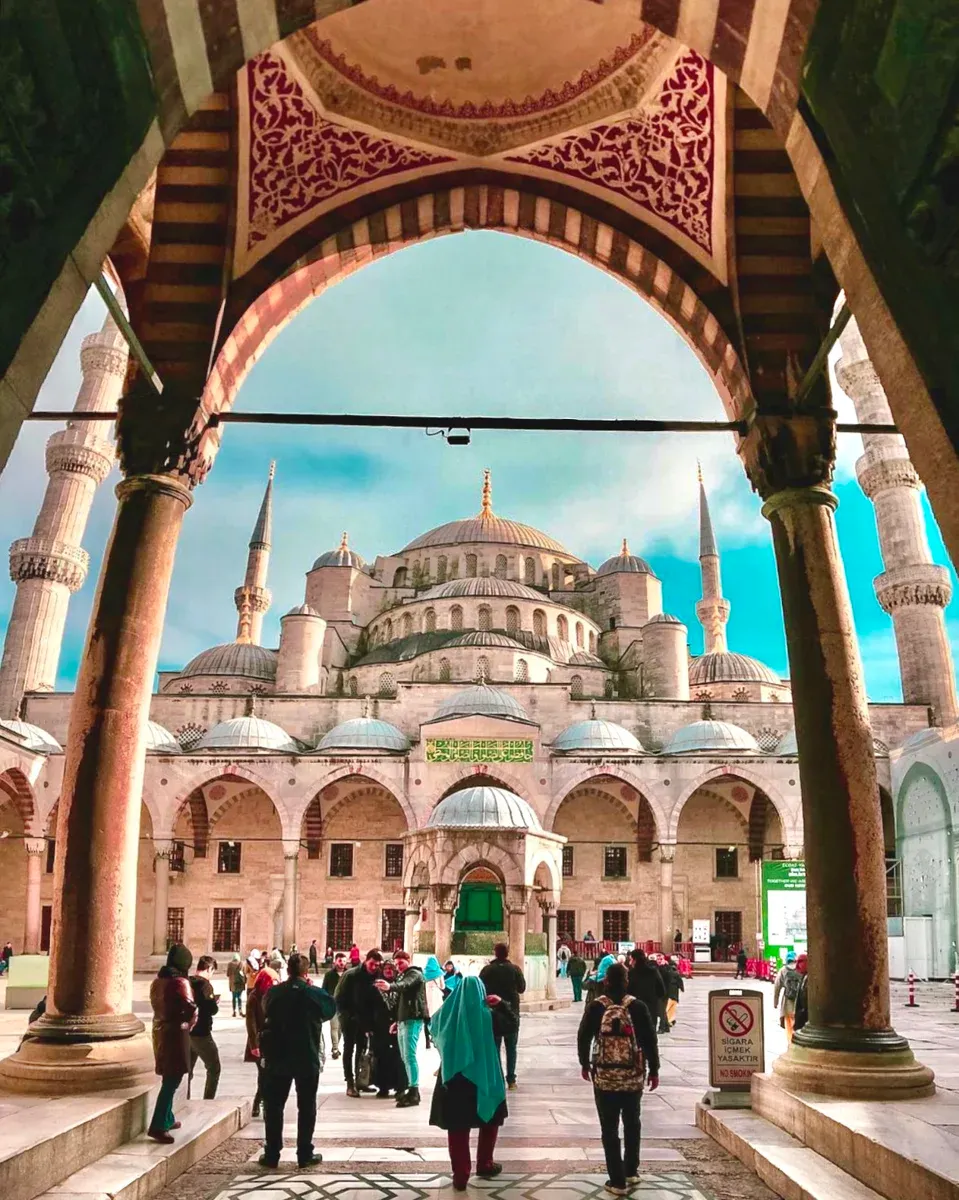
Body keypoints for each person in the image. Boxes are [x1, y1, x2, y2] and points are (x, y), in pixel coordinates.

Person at [578, 962, 660, 1196]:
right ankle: (631, 1171)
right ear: (627, 982)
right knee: (633, 1122)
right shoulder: (638, 1007)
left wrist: (584, 1063)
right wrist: (654, 1070)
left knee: (609, 1128)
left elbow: (583, 1036)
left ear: (605, 981)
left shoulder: (596, 1007)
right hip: (632, 1077)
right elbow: (650, 1041)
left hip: (605, 1077)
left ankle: (616, 1181)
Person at [430, 975, 513, 1191]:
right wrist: (502, 1004)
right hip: (485, 1077)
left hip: (454, 1080)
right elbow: (513, 1024)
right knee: (490, 1119)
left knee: (457, 1128)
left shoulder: (446, 1015)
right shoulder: (489, 1016)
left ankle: (461, 1175)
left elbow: (433, 1029)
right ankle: (485, 1163)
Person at [258, 952, 336, 1169]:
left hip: (278, 1057)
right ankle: (304, 1153)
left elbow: (265, 1008)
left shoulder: (275, 992)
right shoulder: (313, 993)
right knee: (307, 1106)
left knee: (274, 1107)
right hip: (306, 1056)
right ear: (305, 971)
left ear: (288, 971)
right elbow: (330, 1010)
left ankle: (272, 1153)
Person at [148, 944, 197, 1143]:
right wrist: (191, 1019)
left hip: (159, 1030)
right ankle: (158, 1125)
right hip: (176, 1033)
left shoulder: (157, 981)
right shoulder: (180, 982)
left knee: (169, 1075)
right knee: (172, 1080)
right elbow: (190, 1006)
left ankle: (168, 1118)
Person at [376, 948, 428, 1106]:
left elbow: (404, 985)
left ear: (409, 960)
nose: (398, 966)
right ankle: (411, 1090)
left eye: (401, 963)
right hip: (404, 1020)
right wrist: (397, 1021)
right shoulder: (404, 975)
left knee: (409, 1056)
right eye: (396, 964)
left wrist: (389, 987)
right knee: (405, 1057)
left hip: (412, 1019)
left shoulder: (414, 974)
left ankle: (414, 1091)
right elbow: (401, 1000)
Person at [335, 948, 383, 1096]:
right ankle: (350, 1082)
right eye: (372, 964)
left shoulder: (376, 976)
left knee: (361, 1048)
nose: (374, 967)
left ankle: (360, 1081)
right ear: (366, 960)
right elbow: (338, 997)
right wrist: (347, 1015)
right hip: (349, 1017)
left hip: (365, 1019)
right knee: (349, 1048)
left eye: (377, 965)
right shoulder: (351, 975)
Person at [479, 943, 526, 1090]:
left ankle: (498, 1078)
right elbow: (522, 988)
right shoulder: (515, 969)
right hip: (511, 1014)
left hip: (493, 1014)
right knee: (511, 1047)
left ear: (495, 953)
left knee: (495, 1047)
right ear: (507, 953)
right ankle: (511, 1080)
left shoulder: (487, 970)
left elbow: (480, 989)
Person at [370, 960, 407, 1099]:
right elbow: (369, 1007)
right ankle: (383, 1087)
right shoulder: (375, 987)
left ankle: (401, 1087)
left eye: (391, 968)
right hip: (380, 1027)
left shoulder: (399, 986)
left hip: (398, 1026)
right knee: (381, 1058)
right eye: (385, 968)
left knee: (399, 1058)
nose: (388, 971)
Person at [246, 962, 277, 1117]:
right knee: (264, 1074)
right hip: (259, 1041)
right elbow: (250, 1022)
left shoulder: (273, 994)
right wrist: (254, 1044)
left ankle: (259, 1101)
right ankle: (261, 1102)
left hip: (273, 1041)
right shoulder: (254, 996)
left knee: (268, 1074)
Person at [188, 954, 221, 1099]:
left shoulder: (187, 981)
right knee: (214, 1068)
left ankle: (184, 1098)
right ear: (209, 969)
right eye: (212, 972)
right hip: (201, 1033)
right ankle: (208, 1100)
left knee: (187, 1070)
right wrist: (215, 1003)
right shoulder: (205, 985)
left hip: (187, 1032)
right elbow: (211, 1009)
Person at [625, 949, 665, 1032]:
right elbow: (662, 991)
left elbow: (627, 992)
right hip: (651, 1008)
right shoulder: (653, 972)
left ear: (635, 960)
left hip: (635, 1009)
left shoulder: (631, 973)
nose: (630, 962)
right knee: (650, 1035)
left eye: (631, 960)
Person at [773, 951, 803, 1044]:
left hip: (787, 1003)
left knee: (789, 1026)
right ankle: (798, 1041)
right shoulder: (800, 970)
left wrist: (775, 1002)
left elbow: (777, 986)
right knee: (798, 1023)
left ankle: (791, 1043)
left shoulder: (783, 970)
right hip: (799, 1003)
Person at [322, 953, 347, 1060]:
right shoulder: (329, 975)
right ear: (335, 961)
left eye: (344, 961)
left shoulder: (348, 974)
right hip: (333, 1004)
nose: (342, 963)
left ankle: (335, 1047)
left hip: (345, 1006)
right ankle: (335, 1049)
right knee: (334, 1027)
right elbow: (324, 990)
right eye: (340, 961)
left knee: (341, 1028)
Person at [662, 957, 684, 1027]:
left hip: (667, 993)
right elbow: (680, 982)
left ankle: (669, 1020)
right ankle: (670, 1020)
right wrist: (682, 988)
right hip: (674, 994)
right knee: (672, 1007)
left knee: (667, 1007)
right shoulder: (676, 973)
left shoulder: (666, 972)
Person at [793, 952, 809, 1033]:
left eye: (800, 961)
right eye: (796, 962)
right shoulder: (803, 977)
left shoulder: (809, 978)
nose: (797, 965)